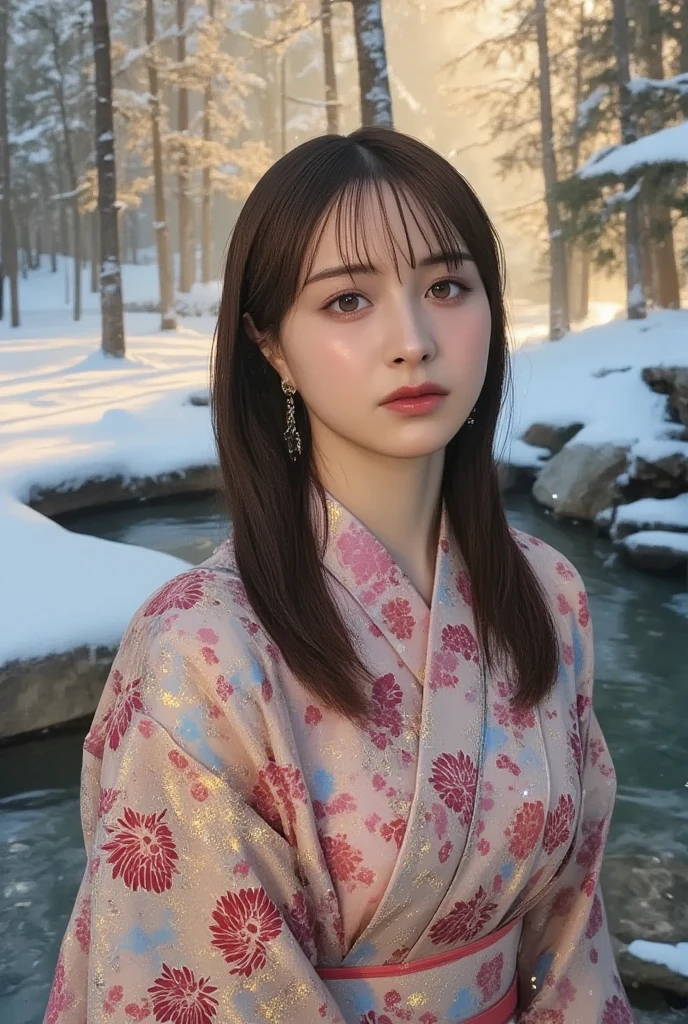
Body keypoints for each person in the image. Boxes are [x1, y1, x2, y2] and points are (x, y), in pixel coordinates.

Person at [44, 128, 633, 1024]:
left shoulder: (547, 593)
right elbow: (186, 974)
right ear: (270, 344)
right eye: (349, 300)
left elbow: (573, 920)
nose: (412, 340)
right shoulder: (202, 646)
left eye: (446, 287)